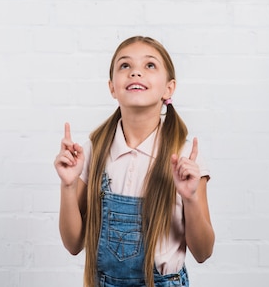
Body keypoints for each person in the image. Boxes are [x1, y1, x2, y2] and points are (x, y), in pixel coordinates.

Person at [54, 36, 214, 287]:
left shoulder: (184, 157)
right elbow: (73, 244)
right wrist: (67, 185)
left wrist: (190, 198)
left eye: (149, 65)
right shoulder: (94, 152)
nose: (136, 72)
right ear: (112, 88)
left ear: (169, 88)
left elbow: (203, 252)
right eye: (125, 66)